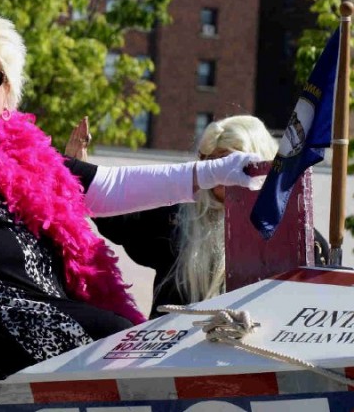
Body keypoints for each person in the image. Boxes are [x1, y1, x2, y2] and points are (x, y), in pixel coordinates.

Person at [0, 0, 263, 386]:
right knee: (114, 337)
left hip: (36, 314)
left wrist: (215, 172)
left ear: (7, 94)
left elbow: (112, 186)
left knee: (135, 339)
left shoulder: (28, 156)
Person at [81, 114, 330, 318]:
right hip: (174, 361)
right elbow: (119, 214)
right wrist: (79, 176)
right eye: (212, 163)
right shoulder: (177, 217)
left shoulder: (300, 239)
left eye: (232, 162)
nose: (221, 176)